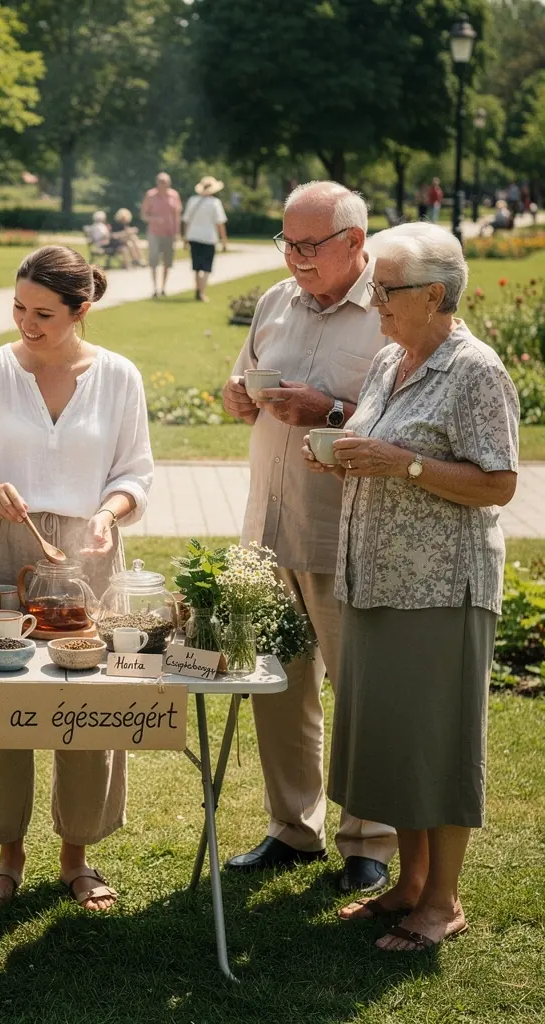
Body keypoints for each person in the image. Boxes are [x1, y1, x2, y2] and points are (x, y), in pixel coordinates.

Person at [303, 222, 519, 950]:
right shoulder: (392, 357)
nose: (373, 300)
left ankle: (444, 903)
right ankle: (411, 884)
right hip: (376, 579)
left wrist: (403, 465)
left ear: (432, 294)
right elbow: (381, 442)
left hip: (441, 591)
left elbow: (498, 483)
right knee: (399, 744)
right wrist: (347, 457)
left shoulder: (477, 371)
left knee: (439, 745)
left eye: (385, 288)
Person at [0, 244, 153, 912]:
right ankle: (6, 855)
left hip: (87, 553)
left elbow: (134, 473)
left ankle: (77, 856)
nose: (26, 324)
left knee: (86, 704)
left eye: (44, 314)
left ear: (81, 309)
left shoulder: (119, 376)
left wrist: (108, 514)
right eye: (19, 308)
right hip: (3, 545)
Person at [220, 181, 397, 893]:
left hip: (346, 532)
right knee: (279, 688)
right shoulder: (274, 300)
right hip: (268, 528)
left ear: (356, 243)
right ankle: (294, 829)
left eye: (309, 245)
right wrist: (237, 393)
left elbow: (408, 418)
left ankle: (369, 838)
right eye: (287, 242)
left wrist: (331, 408)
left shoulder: (389, 309)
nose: (295, 257)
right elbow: (243, 380)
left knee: (359, 691)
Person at [181, 175, 229, 302]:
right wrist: (224, 240)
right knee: (206, 267)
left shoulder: (192, 200)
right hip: (209, 238)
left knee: (197, 267)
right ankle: (202, 292)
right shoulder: (215, 203)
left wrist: (185, 238)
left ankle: (198, 289)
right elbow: (220, 223)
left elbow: (186, 221)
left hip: (193, 237)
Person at [139, 172, 181, 297]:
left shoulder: (174, 195)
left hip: (169, 233)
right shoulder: (150, 195)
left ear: (169, 183)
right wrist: (154, 219)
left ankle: (163, 288)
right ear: (157, 183)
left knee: (167, 262)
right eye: (160, 182)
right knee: (153, 262)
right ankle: (155, 288)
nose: (163, 184)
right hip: (154, 233)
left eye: (165, 182)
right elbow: (143, 215)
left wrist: (177, 232)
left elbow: (177, 216)